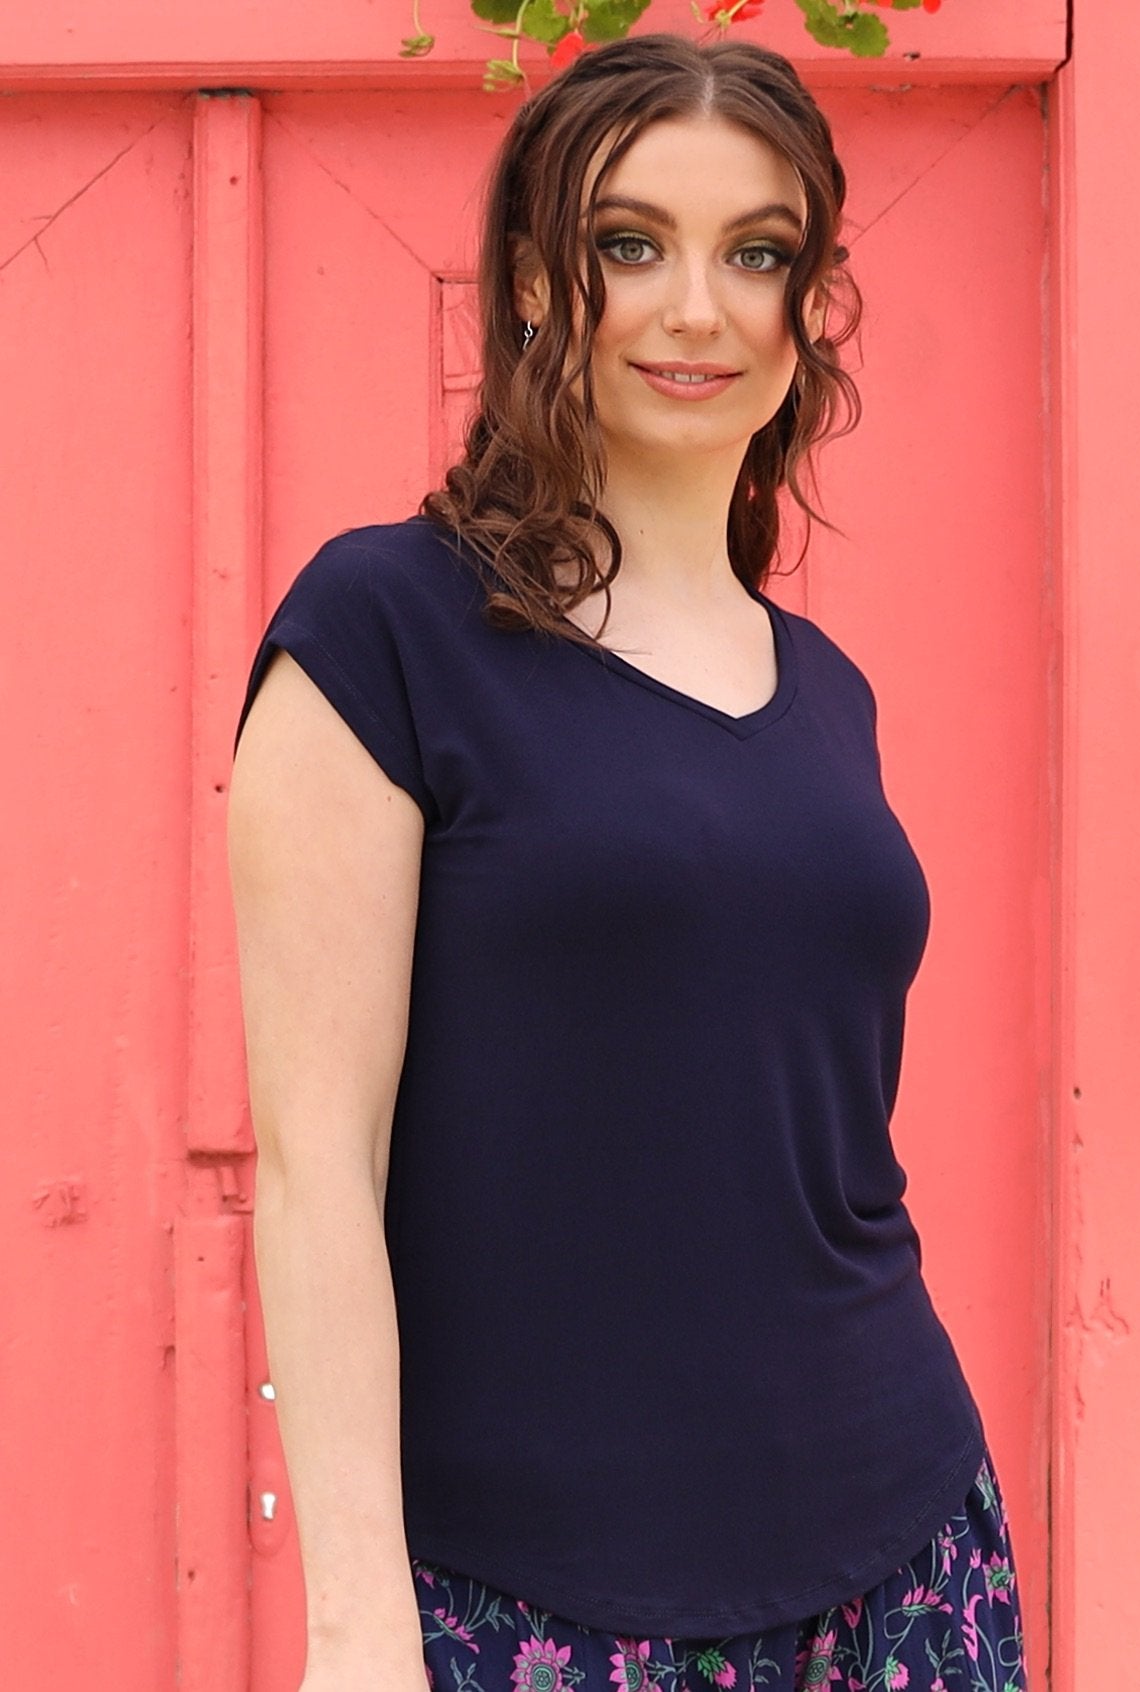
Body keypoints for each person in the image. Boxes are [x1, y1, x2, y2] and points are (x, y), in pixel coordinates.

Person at [227, 32, 1029, 1692]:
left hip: (901, 1557)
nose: (696, 308)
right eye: (629, 243)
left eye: (757, 253)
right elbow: (316, 1168)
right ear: (534, 281)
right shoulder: (384, 631)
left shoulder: (829, 696)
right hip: (530, 1600)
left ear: (807, 306)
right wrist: (358, 1622)